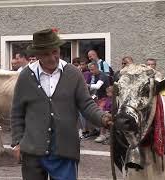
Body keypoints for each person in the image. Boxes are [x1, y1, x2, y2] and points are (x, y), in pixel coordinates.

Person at [11, 29, 113, 180]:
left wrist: (104, 118)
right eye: (46, 54)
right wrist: (17, 142)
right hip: (33, 149)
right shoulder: (26, 76)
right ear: (37, 55)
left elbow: (86, 104)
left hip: (65, 148)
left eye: (55, 51)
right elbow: (17, 112)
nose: (52, 57)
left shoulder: (73, 73)